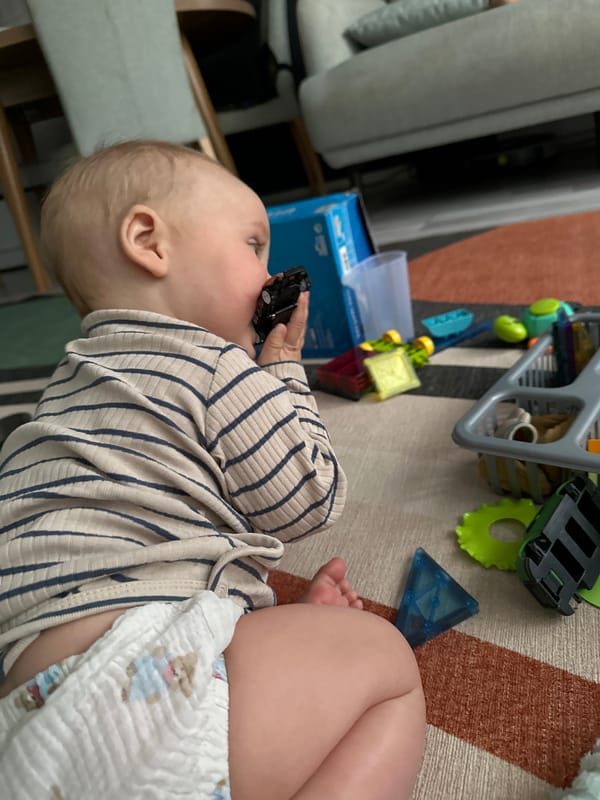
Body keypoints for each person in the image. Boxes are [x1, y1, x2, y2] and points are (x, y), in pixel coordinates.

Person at [0, 140, 426, 799]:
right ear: (149, 240)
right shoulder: (208, 365)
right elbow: (309, 495)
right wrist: (281, 366)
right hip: (131, 692)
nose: (267, 270)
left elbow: (151, 555)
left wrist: (278, 633)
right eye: (254, 244)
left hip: (25, 723)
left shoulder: (67, 390)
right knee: (384, 663)